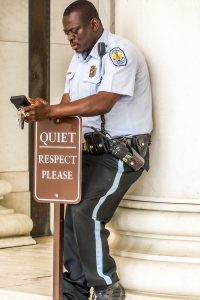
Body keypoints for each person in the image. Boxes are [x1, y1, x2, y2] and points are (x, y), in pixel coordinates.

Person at [24, 1, 153, 299]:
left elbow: (103, 101)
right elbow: (69, 101)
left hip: (121, 154)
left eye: (75, 30)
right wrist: (49, 110)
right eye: (66, 32)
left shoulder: (119, 53)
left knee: (87, 213)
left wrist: (54, 109)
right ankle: (77, 288)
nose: (70, 37)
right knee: (72, 216)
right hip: (90, 152)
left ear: (94, 24)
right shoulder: (79, 60)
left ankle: (107, 287)